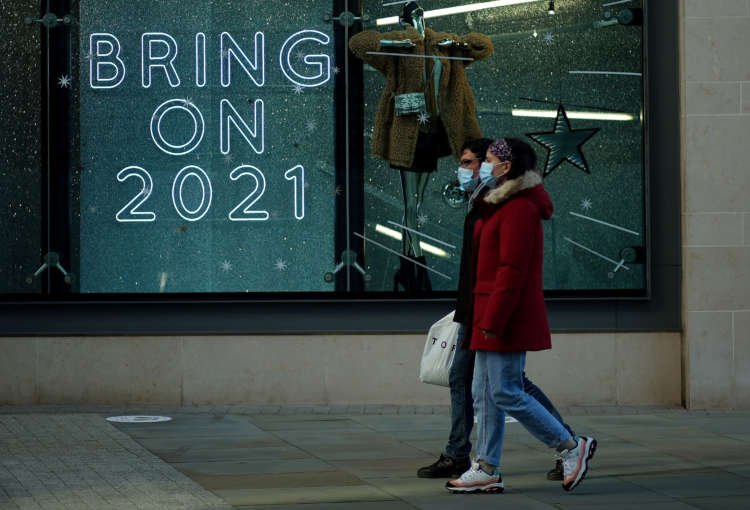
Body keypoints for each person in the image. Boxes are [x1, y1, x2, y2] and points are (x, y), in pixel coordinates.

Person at [445, 138, 597, 494]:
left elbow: (511, 270)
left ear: (507, 167)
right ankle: (485, 467)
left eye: (490, 160)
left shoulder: (518, 208)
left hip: (504, 315)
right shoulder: (498, 202)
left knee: (507, 391)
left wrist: (494, 319)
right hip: (489, 311)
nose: (485, 165)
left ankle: (571, 447)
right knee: (485, 393)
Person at [349, 1, 493, 292]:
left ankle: (408, 263)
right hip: (408, 133)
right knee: (410, 202)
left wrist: (451, 40)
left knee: (416, 200)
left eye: (419, 16)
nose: (417, 20)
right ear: (403, 20)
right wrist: (410, 37)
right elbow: (359, 44)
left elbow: (483, 47)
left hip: (435, 132)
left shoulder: (443, 48)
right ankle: (415, 259)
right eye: (411, 17)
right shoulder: (400, 49)